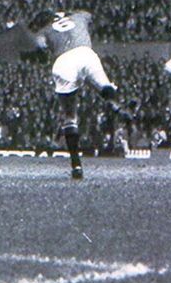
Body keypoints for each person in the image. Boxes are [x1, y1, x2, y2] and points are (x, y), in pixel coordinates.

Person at [28, 10, 123, 179]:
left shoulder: (43, 31)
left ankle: (76, 165)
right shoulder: (79, 16)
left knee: (70, 116)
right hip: (86, 53)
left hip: (63, 61)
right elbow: (92, 17)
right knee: (104, 85)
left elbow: (41, 48)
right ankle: (110, 99)